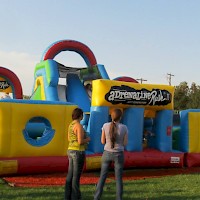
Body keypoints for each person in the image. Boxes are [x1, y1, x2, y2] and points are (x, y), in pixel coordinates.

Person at [94, 108, 128, 200]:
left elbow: (102, 141)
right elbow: (125, 143)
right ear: (120, 117)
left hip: (107, 153)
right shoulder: (124, 127)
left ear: (111, 116)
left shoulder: (105, 125)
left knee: (102, 177)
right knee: (118, 178)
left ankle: (96, 197)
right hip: (119, 154)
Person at [65, 108, 91, 200]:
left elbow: (69, 139)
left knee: (70, 175)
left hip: (70, 150)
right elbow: (80, 141)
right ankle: (76, 197)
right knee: (76, 177)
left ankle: (67, 196)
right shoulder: (78, 126)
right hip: (78, 151)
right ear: (81, 116)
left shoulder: (70, 125)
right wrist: (87, 139)